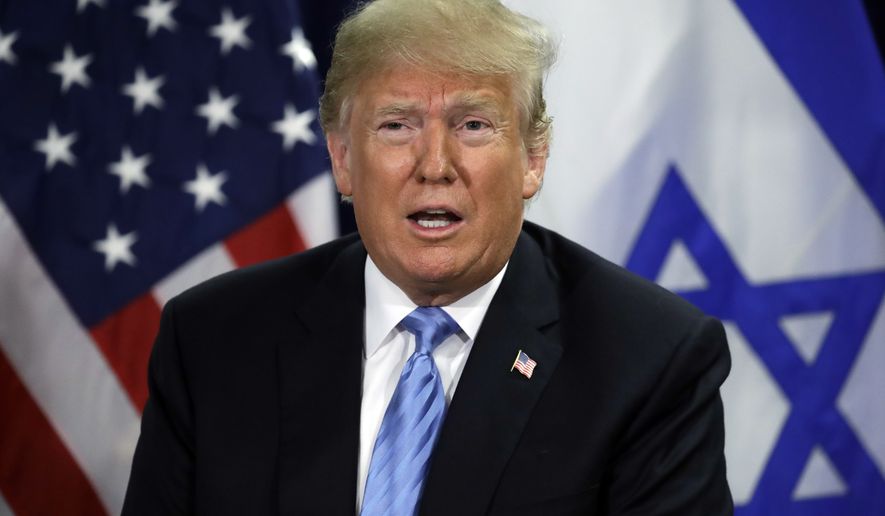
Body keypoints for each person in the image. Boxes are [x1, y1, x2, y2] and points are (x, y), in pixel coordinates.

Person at [122, 0, 733, 514]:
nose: (434, 165)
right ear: (340, 158)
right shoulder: (213, 340)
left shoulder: (648, 359)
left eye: (472, 125)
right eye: (396, 125)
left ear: (532, 158)